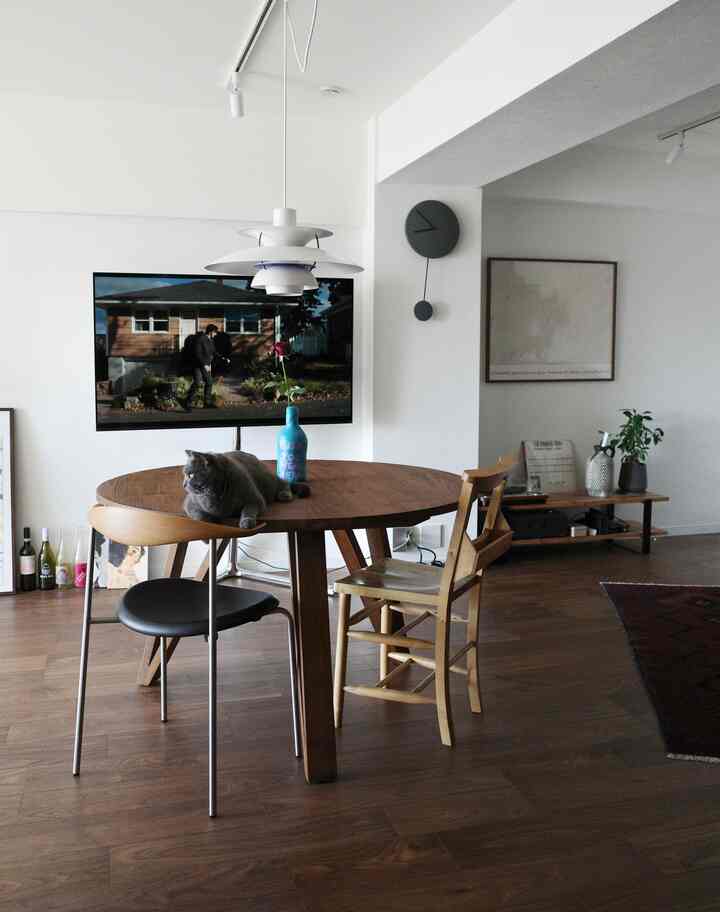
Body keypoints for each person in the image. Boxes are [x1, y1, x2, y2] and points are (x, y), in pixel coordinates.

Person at [183, 324, 219, 411]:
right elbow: (198, 354)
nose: (216, 334)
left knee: (209, 382)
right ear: (211, 332)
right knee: (197, 383)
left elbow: (212, 352)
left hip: (206, 365)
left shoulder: (211, 340)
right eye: (215, 332)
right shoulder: (200, 339)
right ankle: (187, 403)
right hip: (198, 365)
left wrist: (210, 363)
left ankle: (207, 403)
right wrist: (204, 365)